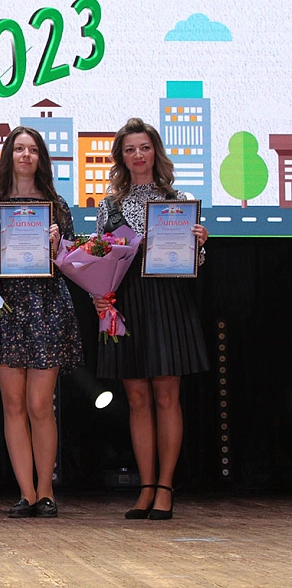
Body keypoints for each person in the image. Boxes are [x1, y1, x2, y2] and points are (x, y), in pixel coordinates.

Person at [93, 117, 210, 520]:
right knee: (137, 400)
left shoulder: (179, 199)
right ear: (121, 157)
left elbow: (196, 263)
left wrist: (199, 245)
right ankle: (145, 487)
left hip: (168, 302)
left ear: (155, 152)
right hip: (126, 303)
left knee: (166, 397)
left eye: (144, 148)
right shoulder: (108, 205)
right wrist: (99, 295)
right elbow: (100, 258)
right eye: (129, 149)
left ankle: (165, 487)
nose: (138, 155)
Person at [0, 126, 83, 518]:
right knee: (14, 404)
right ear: (9, 156)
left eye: (33, 149)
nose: (25, 155)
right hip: (5, 308)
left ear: (41, 158)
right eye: (19, 149)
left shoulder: (57, 205)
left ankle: (46, 490)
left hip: (46, 307)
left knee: (40, 404)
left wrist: (58, 245)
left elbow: (72, 261)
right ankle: (26, 492)